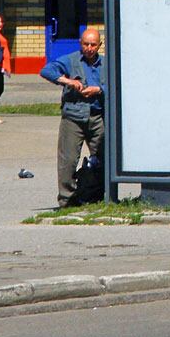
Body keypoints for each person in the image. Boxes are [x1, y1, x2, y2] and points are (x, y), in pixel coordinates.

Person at [39, 29, 105, 210]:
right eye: (86, 44)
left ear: (100, 45)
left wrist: (98, 90)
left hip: (97, 116)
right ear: (80, 43)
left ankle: (96, 196)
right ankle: (67, 200)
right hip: (73, 117)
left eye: (93, 44)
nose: (89, 48)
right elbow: (46, 71)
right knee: (67, 161)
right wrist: (68, 81)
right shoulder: (71, 59)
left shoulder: (105, 63)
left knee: (103, 159)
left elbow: (115, 84)